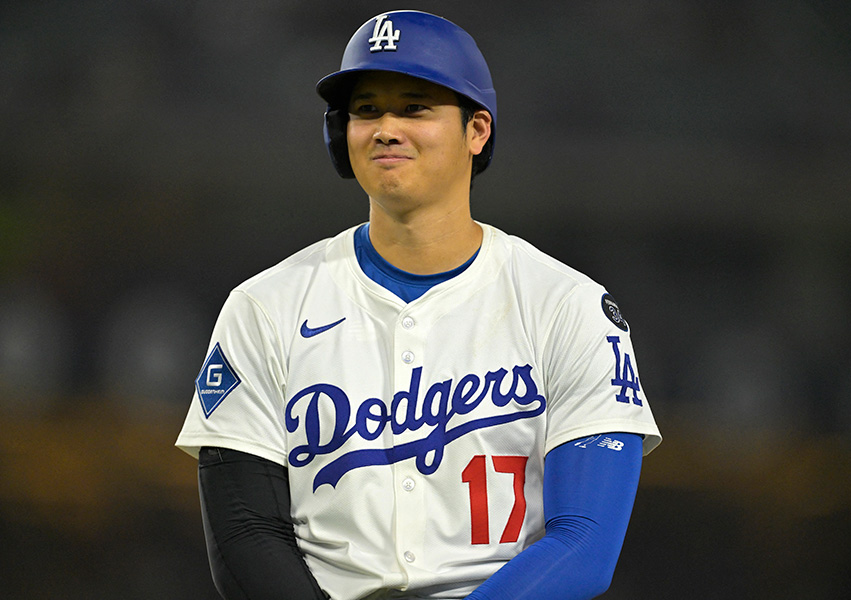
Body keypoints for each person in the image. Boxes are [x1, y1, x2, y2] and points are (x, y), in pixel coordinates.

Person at [176, 10, 661, 600]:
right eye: (365, 109)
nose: (385, 128)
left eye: (414, 108)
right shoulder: (265, 307)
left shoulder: (567, 306)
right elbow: (245, 537)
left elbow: (584, 544)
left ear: (476, 130)